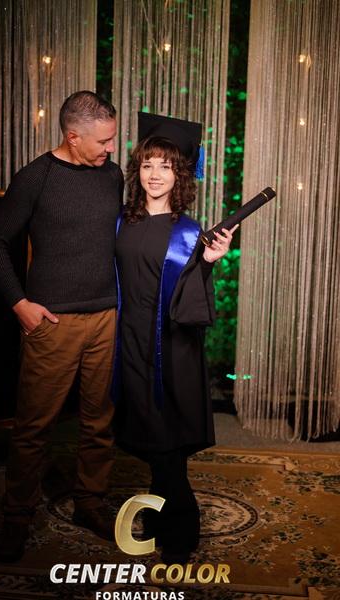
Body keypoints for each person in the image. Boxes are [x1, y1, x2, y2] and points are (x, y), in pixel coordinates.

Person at [0, 91, 123, 562]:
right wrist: (19, 303)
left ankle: (90, 503)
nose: (110, 148)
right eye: (103, 141)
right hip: (53, 322)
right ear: (73, 136)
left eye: (112, 139)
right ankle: (17, 517)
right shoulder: (35, 177)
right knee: (34, 427)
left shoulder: (112, 175)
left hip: (106, 317)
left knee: (100, 422)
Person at [113, 113, 238, 564]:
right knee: (149, 434)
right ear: (138, 170)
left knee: (167, 438)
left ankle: (181, 526)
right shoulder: (122, 222)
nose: (154, 174)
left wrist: (208, 262)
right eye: (147, 165)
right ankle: (159, 512)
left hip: (172, 347)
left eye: (165, 166)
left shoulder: (188, 231)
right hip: (130, 341)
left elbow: (191, 298)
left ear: (179, 174)